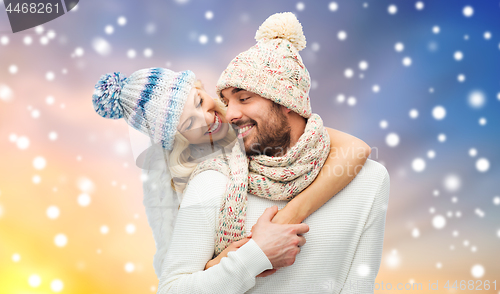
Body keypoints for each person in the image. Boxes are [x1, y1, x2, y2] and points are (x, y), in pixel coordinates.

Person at [157, 12, 390, 293]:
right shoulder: (212, 181)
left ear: (286, 101)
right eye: (227, 101)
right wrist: (255, 255)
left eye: (244, 98)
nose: (229, 114)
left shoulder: (369, 180)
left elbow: (359, 286)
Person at [92, 66, 372, 278]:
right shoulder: (189, 180)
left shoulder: (250, 119)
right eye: (189, 122)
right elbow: (180, 271)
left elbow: (356, 149)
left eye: (200, 101)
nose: (207, 117)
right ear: (177, 140)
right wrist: (227, 261)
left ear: (201, 88)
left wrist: (288, 218)